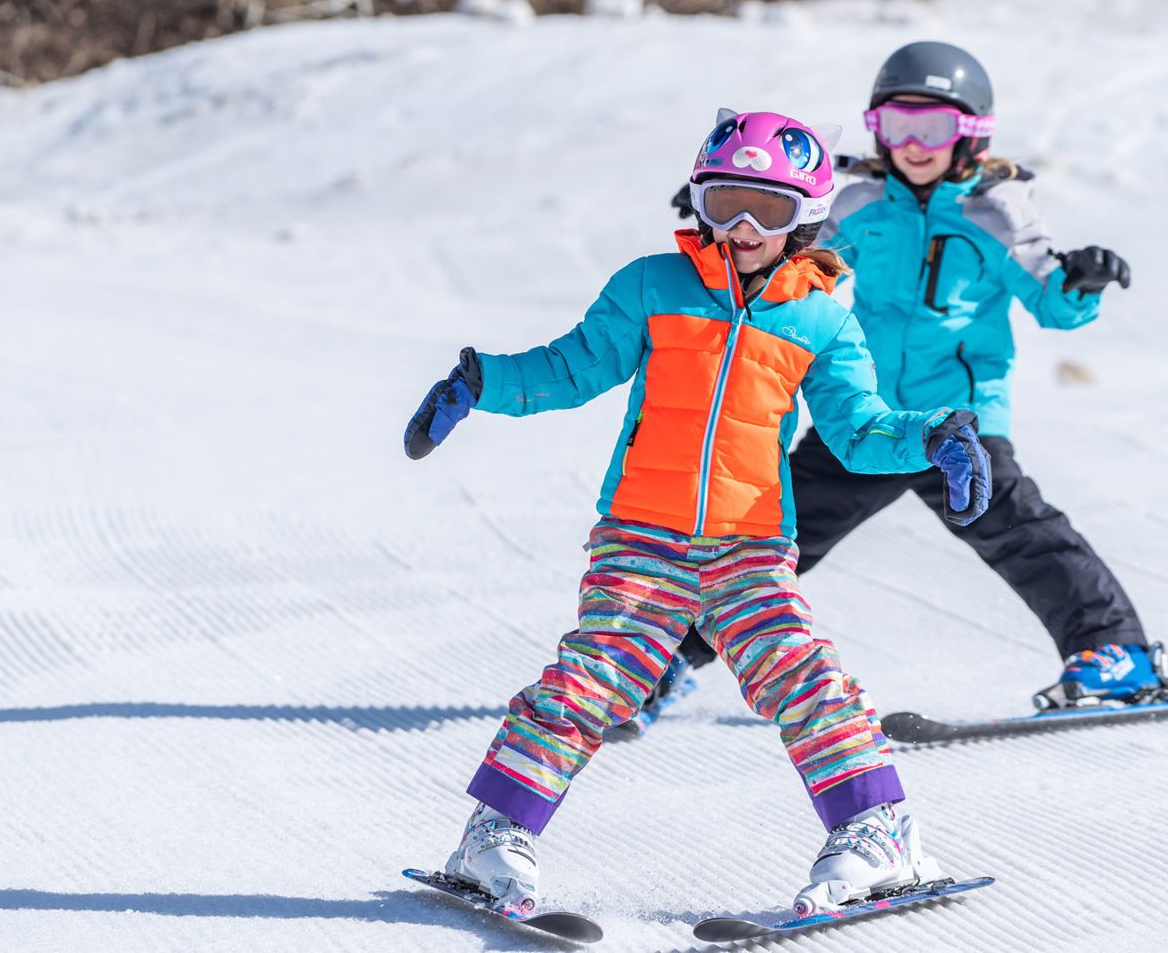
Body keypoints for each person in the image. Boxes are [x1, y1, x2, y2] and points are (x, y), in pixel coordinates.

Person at [402, 110, 992, 915]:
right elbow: (574, 367)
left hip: (750, 544)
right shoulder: (652, 286)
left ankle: (877, 831)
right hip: (640, 533)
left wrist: (933, 435)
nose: (745, 227)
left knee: (801, 673)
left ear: (807, 217)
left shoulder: (822, 316)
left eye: (771, 210)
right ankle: (495, 833)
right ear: (699, 203)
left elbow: (858, 429)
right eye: (725, 204)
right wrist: (485, 383)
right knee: (595, 678)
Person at [642, 41, 1152, 728]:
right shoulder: (858, 207)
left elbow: (1050, 298)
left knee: (1024, 535)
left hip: (959, 423)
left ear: (970, 134)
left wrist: (1079, 279)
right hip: (866, 421)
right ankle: (663, 662)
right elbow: (792, 253)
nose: (913, 144)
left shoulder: (995, 213)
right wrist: (739, 210)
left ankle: (1114, 655)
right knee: (770, 536)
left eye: (933, 128)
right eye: (896, 125)